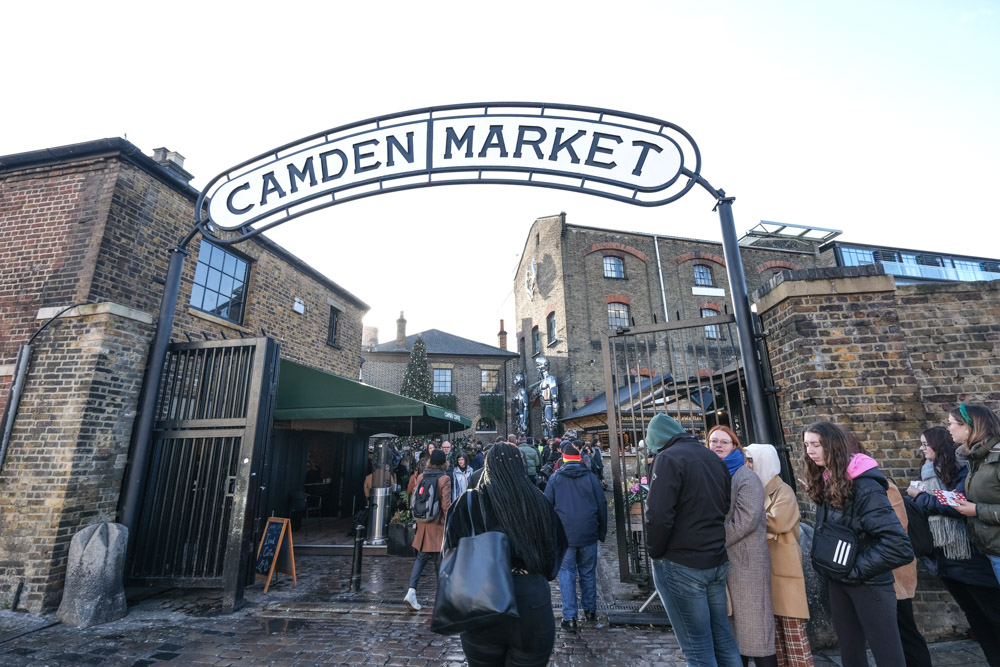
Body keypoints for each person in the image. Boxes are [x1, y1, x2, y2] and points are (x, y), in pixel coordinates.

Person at [443, 443, 567, 666]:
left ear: (488, 467)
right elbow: (555, 551)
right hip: (530, 597)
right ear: (520, 466)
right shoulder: (538, 501)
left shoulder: (468, 502)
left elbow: (449, 556)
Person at [802, 422, 913, 667]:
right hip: (839, 580)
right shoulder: (827, 480)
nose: (810, 450)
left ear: (834, 446)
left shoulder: (865, 486)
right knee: (850, 654)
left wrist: (855, 571)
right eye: (807, 444)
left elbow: (898, 546)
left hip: (869, 583)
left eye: (816, 444)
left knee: (888, 656)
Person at [644, 413, 742, 666]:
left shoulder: (667, 458)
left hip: (682, 562)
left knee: (697, 646)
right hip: (714, 559)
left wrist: (655, 551)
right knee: (722, 636)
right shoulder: (711, 457)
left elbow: (658, 515)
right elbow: (724, 504)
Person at [910, 425, 1000, 666]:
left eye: (925, 444)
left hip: (969, 555)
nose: (922, 449)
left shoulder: (963, 470)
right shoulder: (927, 472)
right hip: (944, 558)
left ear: (938, 445)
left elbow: (955, 506)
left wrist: (920, 497)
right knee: (976, 618)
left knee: (993, 615)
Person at [706, 426, 777, 667]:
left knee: (756, 632)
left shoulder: (746, 477)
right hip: (728, 562)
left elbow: (745, 520)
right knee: (735, 633)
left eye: (723, 442)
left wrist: (712, 540)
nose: (717, 445)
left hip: (748, 564)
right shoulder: (715, 474)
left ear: (735, 446)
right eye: (713, 441)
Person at [745, 443, 814, 667]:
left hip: (784, 574)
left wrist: (747, 517)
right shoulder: (755, 489)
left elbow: (777, 521)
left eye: (751, 460)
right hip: (765, 573)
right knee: (774, 640)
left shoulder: (782, 490)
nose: (747, 465)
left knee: (793, 639)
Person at [544, 442, 607, 632]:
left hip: (565, 534)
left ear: (564, 459)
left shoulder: (555, 479)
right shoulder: (591, 477)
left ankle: (570, 616)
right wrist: (601, 531)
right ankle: (589, 610)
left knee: (567, 573)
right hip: (588, 532)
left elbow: (546, 507)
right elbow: (602, 505)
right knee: (588, 572)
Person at [948, 403, 1000, 585]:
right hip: (991, 548)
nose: (949, 428)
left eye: (952, 423)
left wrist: (976, 510)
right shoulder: (977, 458)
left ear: (969, 426)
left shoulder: (997, 456)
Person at [403, 449, 451, 611]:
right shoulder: (444, 479)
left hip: (423, 524)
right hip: (438, 526)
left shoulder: (422, 477)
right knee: (439, 561)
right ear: (444, 463)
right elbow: (446, 506)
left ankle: (411, 591)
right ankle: (443, 599)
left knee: (421, 559)